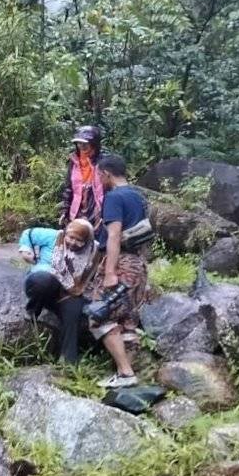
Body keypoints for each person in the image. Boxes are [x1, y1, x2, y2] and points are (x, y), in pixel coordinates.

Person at [89, 154, 156, 388]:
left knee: (99, 315)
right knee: (127, 319)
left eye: (99, 175)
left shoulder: (114, 197)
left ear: (106, 174)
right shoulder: (138, 197)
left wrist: (110, 272)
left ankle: (126, 373)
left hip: (121, 263)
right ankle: (129, 373)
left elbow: (114, 235)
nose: (99, 180)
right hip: (138, 264)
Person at [19, 220, 98, 364]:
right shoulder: (53, 236)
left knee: (74, 310)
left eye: (79, 240)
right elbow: (28, 233)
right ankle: (32, 310)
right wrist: (26, 250)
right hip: (43, 282)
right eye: (70, 237)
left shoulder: (93, 250)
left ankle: (68, 361)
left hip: (68, 291)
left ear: (87, 241)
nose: (73, 242)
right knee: (46, 280)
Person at [59, 125, 105, 232]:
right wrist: (65, 210)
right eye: (79, 143)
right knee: (76, 234)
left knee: (95, 236)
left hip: (95, 208)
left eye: (85, 143)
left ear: (94, 143)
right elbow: (69, 188)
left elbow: (108, 189)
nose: (82, 146)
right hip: (77, 208)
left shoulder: (103, 162)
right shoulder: (74, 161)